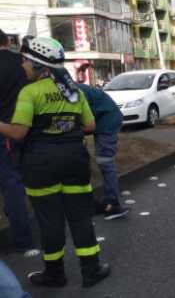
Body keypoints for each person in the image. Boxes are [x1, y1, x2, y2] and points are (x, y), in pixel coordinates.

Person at [0, 36, 110, 288]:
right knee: (81, 217)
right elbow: (90, 125)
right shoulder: (74, 91)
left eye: (26, 60)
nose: (22, 65)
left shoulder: (30, 92)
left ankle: (55, 273)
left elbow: (18, 133)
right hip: (74, 161)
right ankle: (91, 270)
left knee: (49, 220)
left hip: (40, 165)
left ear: (39, 64)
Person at [0, 29, 35, 255]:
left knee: (11, 185)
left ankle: (22, 238)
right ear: (7, 41)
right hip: (23, 128)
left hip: (4, 134)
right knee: (20, 182)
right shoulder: (23, 63)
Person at [76, 82, 129, 220]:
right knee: (104, 162)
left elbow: (88, 125)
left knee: (105, 162)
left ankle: (113, 204)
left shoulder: (74, 93)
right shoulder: (73, 88)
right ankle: (108, 202)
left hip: (107, 121)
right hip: (105, 117)